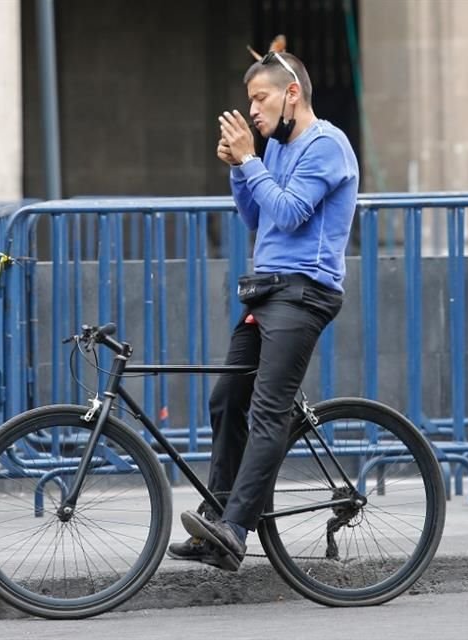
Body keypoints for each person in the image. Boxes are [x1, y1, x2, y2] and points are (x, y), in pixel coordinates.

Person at [171, 52, 359, 570]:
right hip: (268, 289)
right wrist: (239, 168)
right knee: (227, 398)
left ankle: (236, 527)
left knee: (268, 408)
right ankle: (217, 523)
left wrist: (250, 159)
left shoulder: (327, 145)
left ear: (291, 93)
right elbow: (256, 216)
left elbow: (291, 212)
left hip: (305, 290)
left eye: (261, 98)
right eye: (249, 99)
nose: (252, 109)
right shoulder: (273, 147)